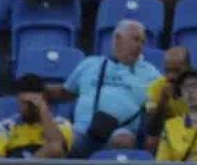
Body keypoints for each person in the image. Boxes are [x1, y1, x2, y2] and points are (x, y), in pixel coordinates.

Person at [55, 18, 160, 155]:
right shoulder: (90, 64)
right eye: (135, 39)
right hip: (82, 131)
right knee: (55, 136)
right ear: (117, 39)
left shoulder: (150, 73)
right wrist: (37, 91)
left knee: (123, 139)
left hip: (118, 133)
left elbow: (162, 100)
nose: (140, 46)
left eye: (143, 42)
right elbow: (65, 92)